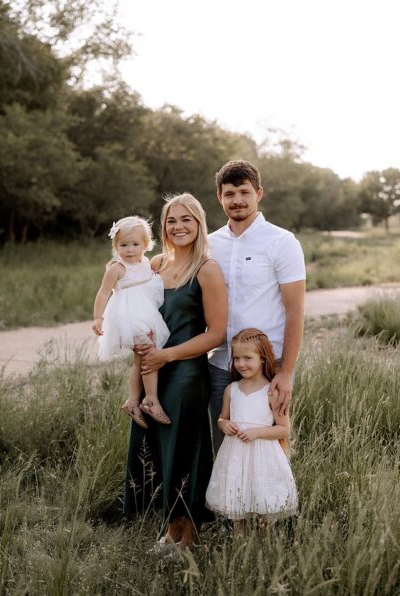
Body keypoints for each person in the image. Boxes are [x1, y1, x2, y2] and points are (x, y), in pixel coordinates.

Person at [127, 193, 227, 550]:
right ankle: (171, 528)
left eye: (187, 219)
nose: (178, 226)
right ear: (163, 226)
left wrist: (166, 357)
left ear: (199, 224)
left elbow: (216, 333)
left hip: (185, 373)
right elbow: (139, 321)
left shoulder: (207, 268)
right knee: (156, 450)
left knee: (184, 451)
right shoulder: (154, 265)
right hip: (152, 371)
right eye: (171, 220)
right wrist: (136, 388)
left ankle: (189, 534)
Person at [208, 160, 306, 452]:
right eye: (229, 193)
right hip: (219, 365)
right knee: (221, 447)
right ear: (219, 197)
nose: (237, 200)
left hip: (267, 365)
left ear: (258, 193)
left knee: (269, 447)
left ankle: (269, 500)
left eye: (244, 191)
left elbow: (295, 312)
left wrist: (285, 372)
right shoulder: (210, 244)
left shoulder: (281, 242)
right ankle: (221, 500)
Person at [206, 328, 298, 530]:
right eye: (236, 358)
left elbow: (283, 430)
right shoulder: (232, 390)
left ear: (263, 358)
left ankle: (262, 546)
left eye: (247, 358)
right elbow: (222, 418)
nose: (240, 364)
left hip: (263, 456)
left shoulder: (272, 392)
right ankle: (241, 543)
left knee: (262, 501)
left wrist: (257, 432)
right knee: (237, 501)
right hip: (235, 456)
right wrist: (224, 424)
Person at [92, 216, 171, 428]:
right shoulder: (117, 268)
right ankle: (151, 399)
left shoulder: (147, 262)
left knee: (140, 359)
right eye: (123, 245)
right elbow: (103, 293)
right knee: (148, 354)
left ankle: (133, 401)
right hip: (129, 317)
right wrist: (98, 317)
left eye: (135, 244)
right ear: (115, 246)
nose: (129, 250)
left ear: (146, 245)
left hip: (146, 315)